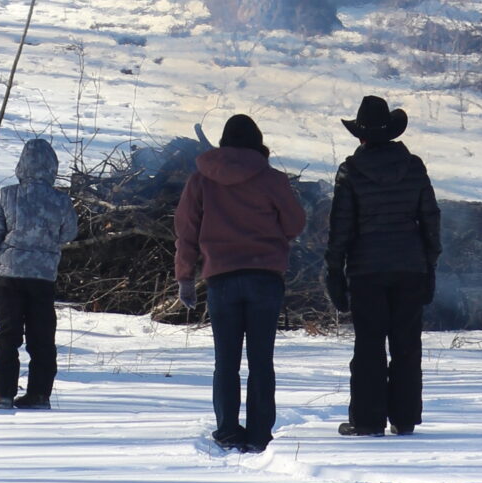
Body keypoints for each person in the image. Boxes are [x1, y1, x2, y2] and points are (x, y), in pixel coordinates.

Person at [173, 114, 307, 452]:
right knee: (261, 360)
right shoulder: (272, 179)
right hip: (264, 278)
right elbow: (294, 224)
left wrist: (185, 277)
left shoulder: (200, 180)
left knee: (226, 360)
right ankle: (260, 433)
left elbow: (186, 232)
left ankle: (228, 430)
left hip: (221, 278)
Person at [324, 94, 441, 438]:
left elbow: (340, 227)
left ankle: (367, 420)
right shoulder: (414, 166)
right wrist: (430, 263)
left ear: (360, 136)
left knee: (369, 346)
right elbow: (430, 219)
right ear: (390, 133)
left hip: (366, 271)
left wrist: (334, 270)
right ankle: (404, 419)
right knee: (407, 345)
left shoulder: (351, 171)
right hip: (410, 267)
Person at [0, 136, 79, 410]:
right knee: (42, 338)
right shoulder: (60, 200)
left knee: (7, 336)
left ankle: (3, 395)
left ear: (22, 165)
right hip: (44, 279)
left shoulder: (7, 195)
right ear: (52, 167)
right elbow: (69, 233)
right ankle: (40, 395)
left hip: (10, 277)